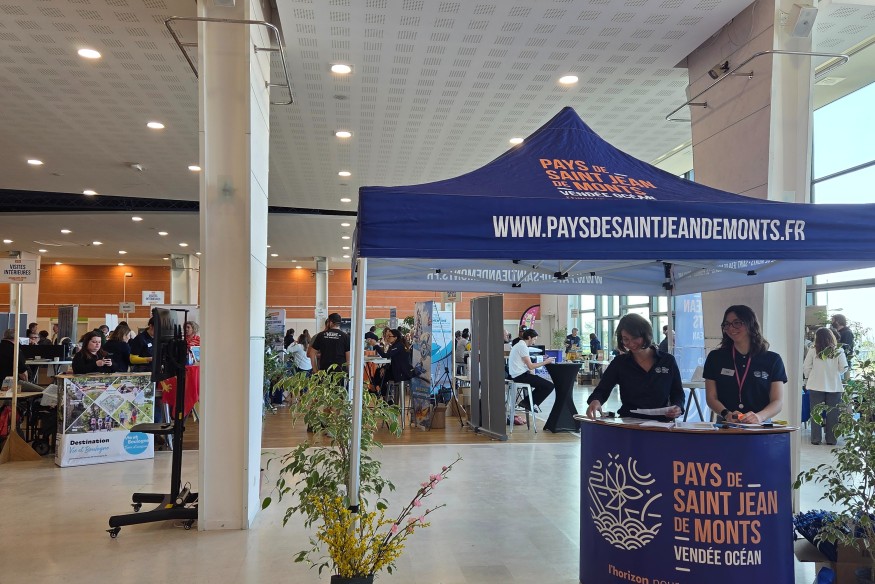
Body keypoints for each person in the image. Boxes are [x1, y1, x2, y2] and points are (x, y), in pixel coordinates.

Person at [586, 314, 684, 420]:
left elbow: (677, 392)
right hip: (629, 422)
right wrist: (596, 401)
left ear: (646, 335)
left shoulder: (667, 361)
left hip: (662, 422)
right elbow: (602, 389)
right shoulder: (620, 363)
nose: (631, 344)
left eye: (635, 338)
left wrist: (678, 407)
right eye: (626, 339)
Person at [704, 304, 786, 424]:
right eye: (727, 324)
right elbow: (711, 397)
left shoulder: (773, 359)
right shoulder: (715, 358)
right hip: (727, 424)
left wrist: (759, 417)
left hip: (760, 425)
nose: (731, 328)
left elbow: (777, 401)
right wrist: (727, 414)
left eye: (737, 323)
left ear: (750, 324)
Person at [803, 327, 848, 445]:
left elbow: (806, 366)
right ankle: (831, 440)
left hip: (815, 385)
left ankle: (815, 439)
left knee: (815, 414)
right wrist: (835, 373)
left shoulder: (813, 350)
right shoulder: (838, 350)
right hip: (834, 386)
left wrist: (811, 376)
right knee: (833, 414)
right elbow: (844, 367)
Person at [508, 328, 556, 410]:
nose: (534, 342)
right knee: (549, 386)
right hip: (520, 376)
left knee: (542, 385)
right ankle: (527, 403)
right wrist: (546, 362)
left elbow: (525, 364)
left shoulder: (518, 345)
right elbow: (530, 366)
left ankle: (527, 403)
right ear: (529, 337)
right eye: (534, 339)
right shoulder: (522, 347)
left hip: (517, 375)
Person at [370, 328, 413, 400]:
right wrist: (384, 368)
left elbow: (386, 356)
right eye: (387, 336)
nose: (387, 338)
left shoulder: (399, 346)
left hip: (402, 373)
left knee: (381, 377)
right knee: (379, 372)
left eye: (389, 336)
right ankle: (384, 396)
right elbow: (391, 360)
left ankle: (380, 394)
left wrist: (376, 345)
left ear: (395, 337)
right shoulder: (395, 345)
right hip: (397, 370)